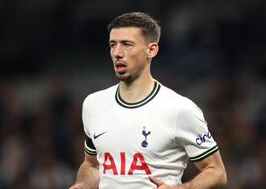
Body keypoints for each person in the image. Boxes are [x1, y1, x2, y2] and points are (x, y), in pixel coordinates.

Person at [70, 12, 227, 189]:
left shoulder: (180, 109)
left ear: (151, 50)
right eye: (113, 44)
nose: (117, 53)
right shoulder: (93, 104)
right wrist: (82, 184)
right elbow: (92, 165)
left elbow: (217, 172)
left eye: (127, 45)